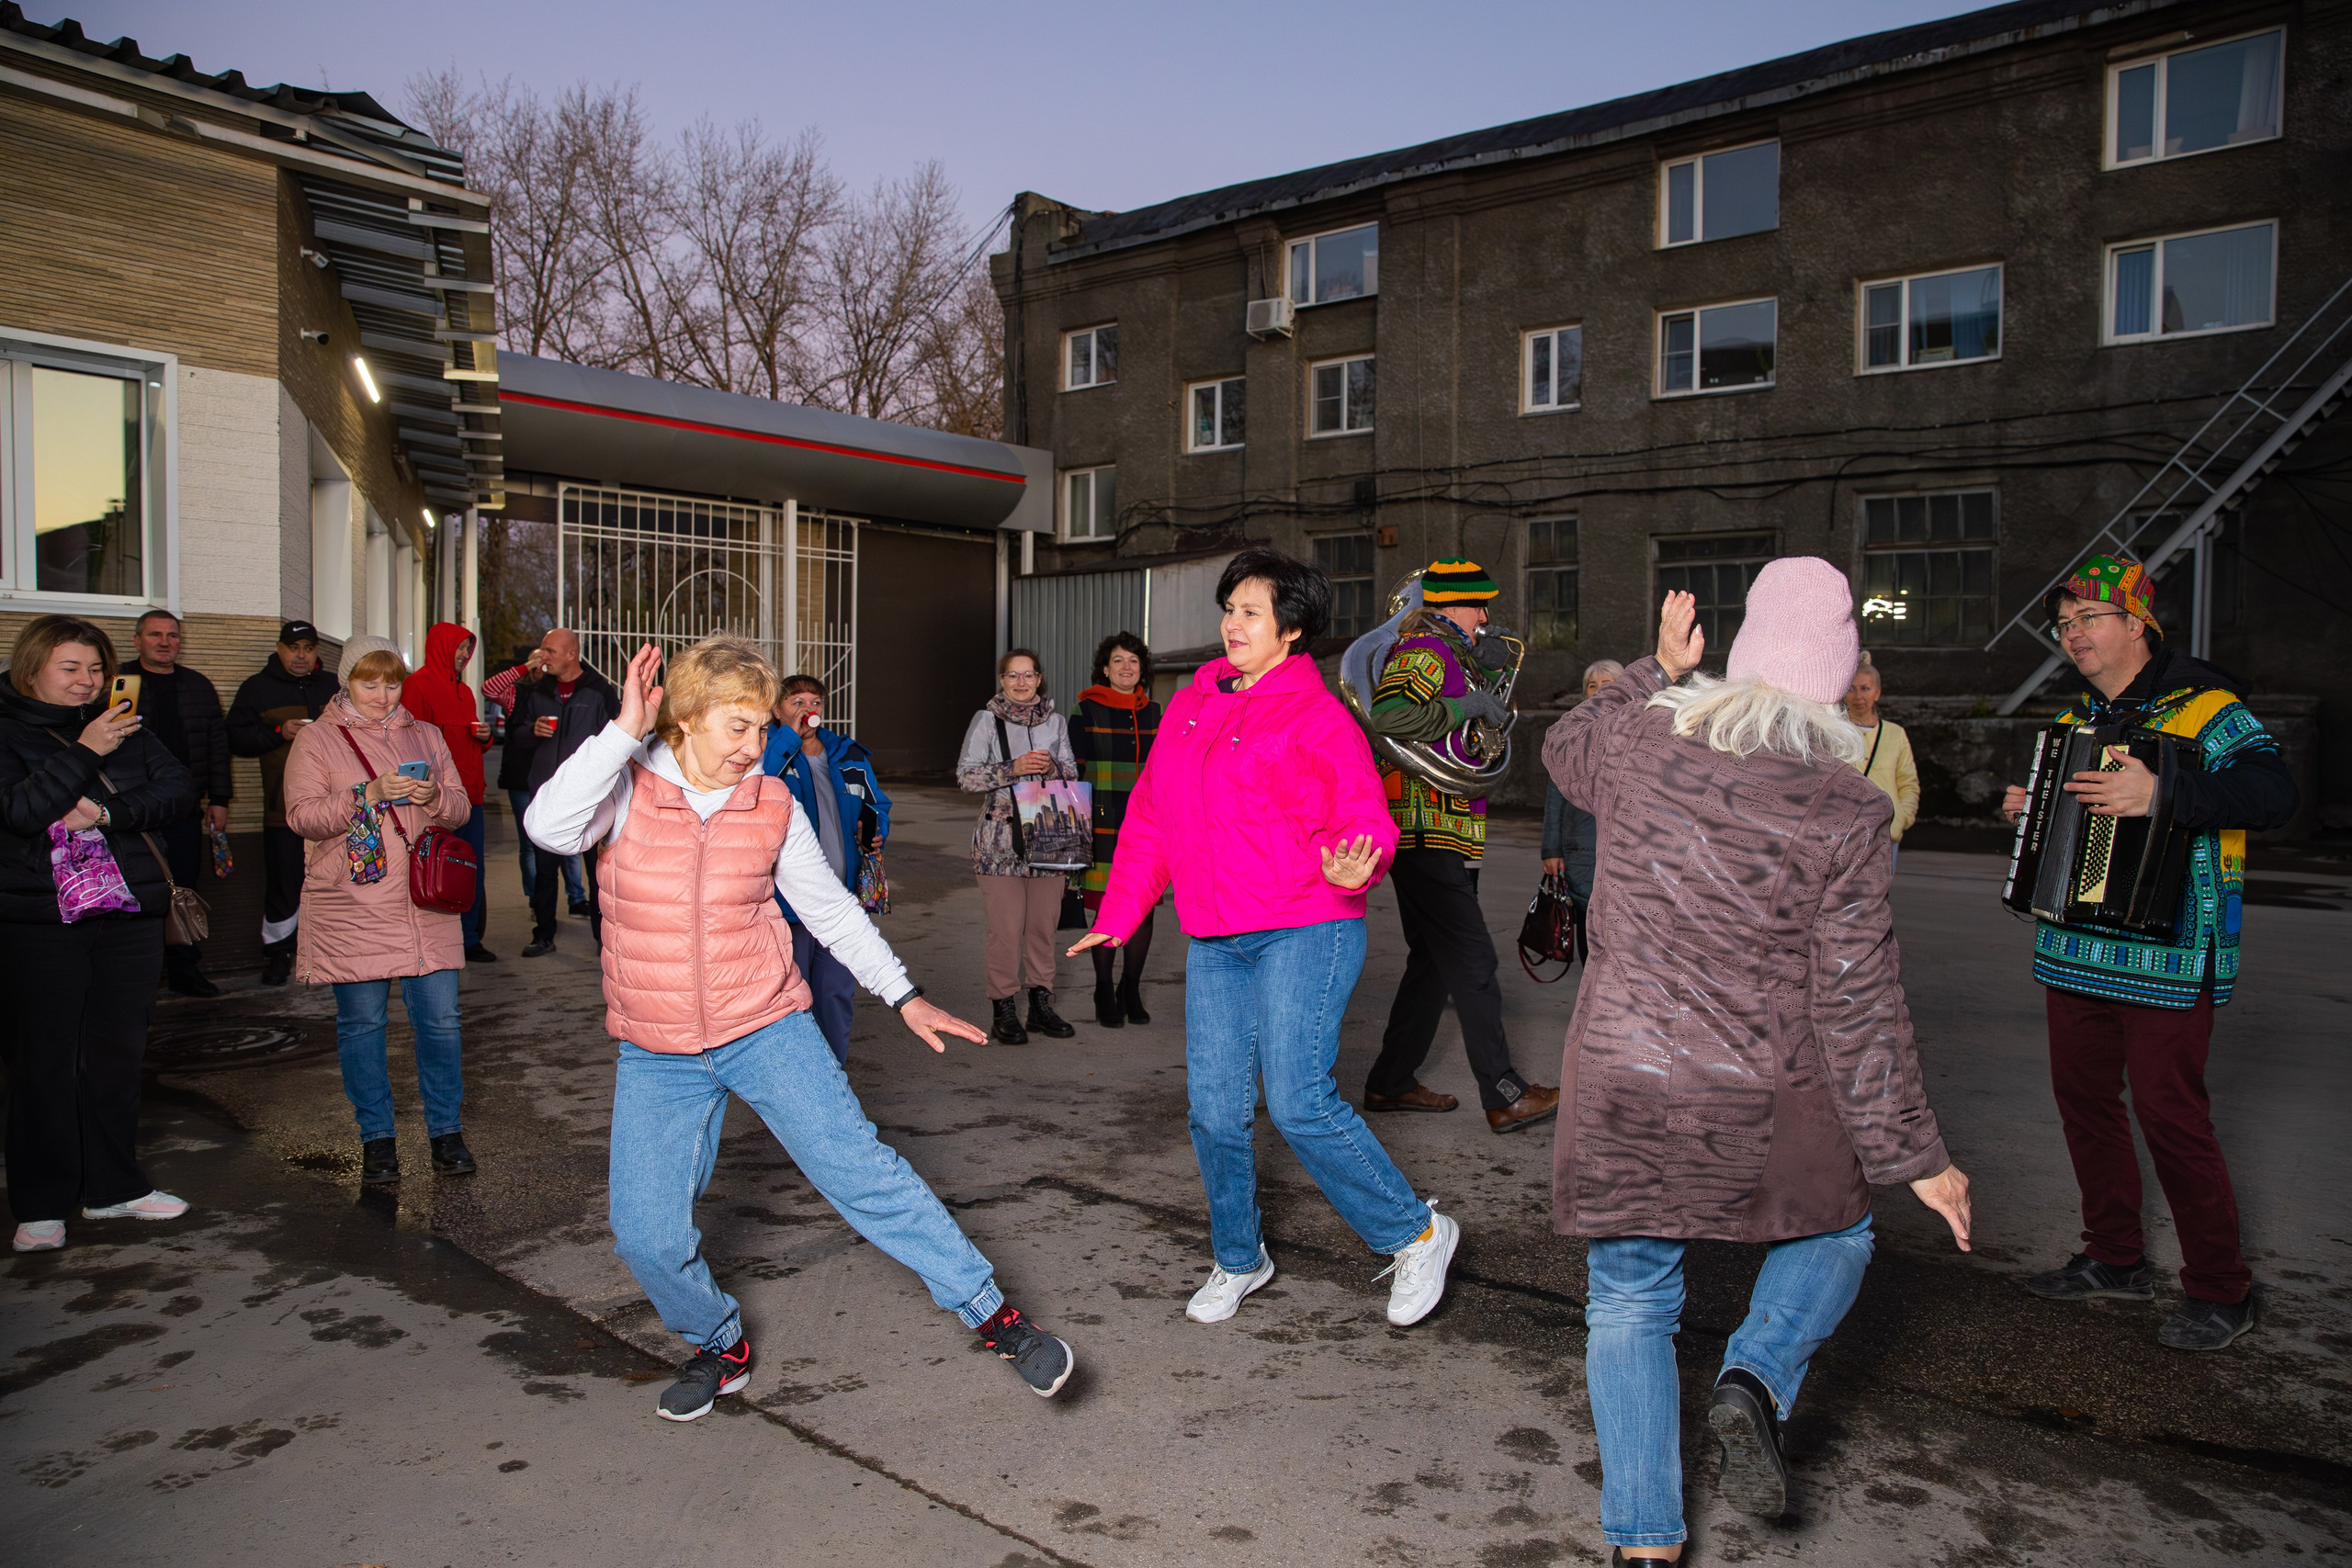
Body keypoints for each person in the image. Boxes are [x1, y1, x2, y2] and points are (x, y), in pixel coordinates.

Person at [526, 637, 1078, 1421]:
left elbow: (829, 910)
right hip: (657, 1046)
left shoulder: (769, 801)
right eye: (738, 727)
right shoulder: (624, 787)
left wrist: (905, 994)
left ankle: (996, 1316)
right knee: (644, 1232)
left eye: (762, 727)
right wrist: (620, 733)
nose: (756, 746)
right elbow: (549, 827)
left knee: (863, 1171)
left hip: (766, 1024)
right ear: (683, 718)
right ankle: (717, 1342)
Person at [1544, 568, 1973, 1559]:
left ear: (1743, 652)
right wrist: (1916, 1156)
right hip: (1765, 1085)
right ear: (1834, 675)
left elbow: (1560, 749)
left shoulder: (1645, 740)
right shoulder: (1848, 804)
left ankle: (1643, 1542)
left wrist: (1653, 665)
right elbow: (1857, 995)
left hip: (1627, 1076)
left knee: (1630, 1300)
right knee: (1843, 1227)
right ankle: (1756, 1375)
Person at [1073, 547, 1462, 1330]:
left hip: (1305, 928)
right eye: (1230, 608)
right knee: (1214, 1110)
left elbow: (1365, 820)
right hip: (1217, 936)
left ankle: (1416, 1231)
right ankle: (1240, 1256)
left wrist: (1357, 862)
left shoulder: (1319, 717)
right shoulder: (1189, 705)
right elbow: (1152, 816)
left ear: (1291, 629)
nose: (1233, 622)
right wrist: (1120, 913)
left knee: (1297, 1099)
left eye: (1251, 610)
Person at [1999, 554, 2296, 1352]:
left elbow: (2274, 795)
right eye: (2064, 626)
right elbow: (2074, 835)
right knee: (2085, 1106)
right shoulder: (2073, 726)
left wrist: (2164, 793)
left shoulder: (2210, 710)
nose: (2073, 637)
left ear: (2138, 625)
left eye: (2087, 619)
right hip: (2077, 949)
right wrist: (2033, 814)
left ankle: (2221, 1289)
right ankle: (2115, 1257)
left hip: (2169, 952)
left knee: (2173, 1117)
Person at [2, 615, 197, 1252]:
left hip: (127, 914)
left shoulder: (125, 726)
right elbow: (22, 811)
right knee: (45, 1061)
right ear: (33, 667)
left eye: (95, 669)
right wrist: (87, 750)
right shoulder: (11, 730)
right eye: (70, 668)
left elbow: (176, 790)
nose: (87, 680)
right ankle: (41, 1201)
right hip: (40, 921)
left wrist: (109, 812)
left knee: (116, 1056)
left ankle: (115, 1187)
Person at [1360, 558, 1560, 1134]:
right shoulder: (1424, 648)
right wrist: (1469, 705)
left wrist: (1479, 679)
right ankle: (1505, 1093)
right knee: (1472, 959)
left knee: (1434, 963)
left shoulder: (1452, 654)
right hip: (1422, 827)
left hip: (1445, 826)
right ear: (1452, 607)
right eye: (1479, 607)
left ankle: (1390, 1081)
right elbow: (1389, 714)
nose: (1485, 616)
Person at [281, 635, 477, 1187]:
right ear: (346, 680)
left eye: (392, 682)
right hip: (353, 903)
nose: (384, 694)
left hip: (423, 901)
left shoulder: (428, 734)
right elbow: (302, 817)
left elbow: (459, 809)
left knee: (440, 1023)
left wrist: (431, 797)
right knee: (363, 1024)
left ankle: (447, 1134)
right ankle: (377, 1142)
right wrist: (367, 794)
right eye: (370, 682)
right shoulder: (318, 739)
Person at [760, 672, 891, 1065]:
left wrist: (876, 830)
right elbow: (758, 788)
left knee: (835, 992)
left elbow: (877, 804)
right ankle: (795, 1079)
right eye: (796, 702)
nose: (807, 710)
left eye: (813, 702)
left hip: (840, 896)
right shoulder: (771, 749)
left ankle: (833, 1075)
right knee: (791, 995)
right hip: (790, 904)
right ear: (778, 709)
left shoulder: (846, 753)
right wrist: (787, 738)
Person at [956, 649, 1078, 1043]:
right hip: (999, 842)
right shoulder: (986, 720)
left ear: (1039, 679)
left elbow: (1073, 775)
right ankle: (1003, 1009)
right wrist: (1012, 769)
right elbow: (966, 778)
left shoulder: (1057, 722)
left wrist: (1053, 768)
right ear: (1002, 681)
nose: (1021, 683)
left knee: (1043, 928)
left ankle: (1042, 1006)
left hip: (1051, 834)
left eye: (1028, 675)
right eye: (1012, 676)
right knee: (1006, 932)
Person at [228, 619, 340, 986]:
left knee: (332, 881)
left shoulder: (333, 686)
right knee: (283, 884)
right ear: (279, 649)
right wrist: (280, 732)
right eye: (294, 648)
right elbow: (236, 738)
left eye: (308, 648)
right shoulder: (257, 689)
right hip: (284, 808)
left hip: (336, 808)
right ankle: (278, 954)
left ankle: (327, 953)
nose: (301, 655)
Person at [128, 609, 233, 997]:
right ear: (137, 640)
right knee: (136, 888)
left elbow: (217, 748)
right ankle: (139, 976)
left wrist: (219, 799)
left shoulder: (198, 685)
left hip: (185, 808)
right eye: (155, 635)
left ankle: (185, 970)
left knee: (184, 888)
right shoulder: (119, 682)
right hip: (132, 810)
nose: (164, 642)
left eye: (172, 635)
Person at [503, 628, 620, 957]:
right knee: (544, 872)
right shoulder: (535, 690)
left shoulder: (600, 692)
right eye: (543, 650)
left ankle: (603, 939)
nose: (544, 657)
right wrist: (530, 730)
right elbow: (516, 735)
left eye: (550, 651)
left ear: (572, 654)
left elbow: (618, 737)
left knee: (596, 873)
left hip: (591, 797)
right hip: (547, 795)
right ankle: (543, 934)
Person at [1069, 632, 1161, 1029]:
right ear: (1105, 669)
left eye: (1134, 662)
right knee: (1108, 908)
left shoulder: (1156, 712)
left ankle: (1131, 987)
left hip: (1148, 824)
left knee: (1143, 908)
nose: (1126, 668)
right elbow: (1072, 771)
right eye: (1118, 661)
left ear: (1142, 670)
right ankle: (1103, 988)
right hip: (1102, 823)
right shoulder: (1086, 710)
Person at [401, 622, 497, 963]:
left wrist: (484, 737)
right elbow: (409, 745)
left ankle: (469, 938)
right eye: (459, 647)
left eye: (468, 649)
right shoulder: (417, 686)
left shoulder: (466, 692)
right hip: (435, 800)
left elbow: (470, 747)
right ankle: (436, 937)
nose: (464, 655)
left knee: (470, 869)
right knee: (435, 867)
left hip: (471, 798)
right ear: (442, 646)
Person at [485, 644, 588, 916]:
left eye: (546, 661)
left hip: (555, 779)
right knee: (531, 844)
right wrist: (526, 665)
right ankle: (536, 902)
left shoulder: (562, 692)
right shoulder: (517, 694)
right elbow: (489, 689)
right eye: (537, 663)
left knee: (569, 841)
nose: (542, 667)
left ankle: (576, 899)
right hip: (522, 779)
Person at [1541, 660, 1623, 926]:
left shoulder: (1641, 729)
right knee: (1586, 919)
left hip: (1624, 844)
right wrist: (1551, 849)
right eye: (1592, 685)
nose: (1598, 691)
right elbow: (1555, 797)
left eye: (1607, 684)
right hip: (1580, 845)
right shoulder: (1570, 734)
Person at [1845, 652, 1918, 867]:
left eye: (1865, 689)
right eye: (1851, 688)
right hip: (1845, 833)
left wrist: (1903, 818)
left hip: (1886, 831)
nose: (1858, 696)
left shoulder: (1895, 734)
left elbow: (1908, 782)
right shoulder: (1835, 733)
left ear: (1877, 693)